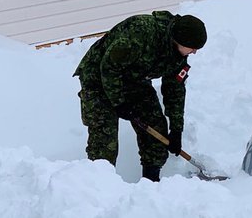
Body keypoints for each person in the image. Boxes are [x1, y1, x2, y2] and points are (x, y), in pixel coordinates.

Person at [74, 11, 207, 181]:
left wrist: (176, 130)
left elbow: (175, 90)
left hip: (134, 80)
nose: (194, 52)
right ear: (180, 40)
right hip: (98, 79)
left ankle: (150, 188)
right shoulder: (142, 33)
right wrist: (118, 102)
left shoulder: (178, 56)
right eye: (193, 48)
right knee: (104, 143)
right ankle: (99, 189)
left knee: (157, 135)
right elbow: (109, 67)